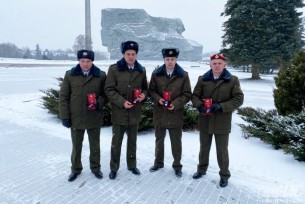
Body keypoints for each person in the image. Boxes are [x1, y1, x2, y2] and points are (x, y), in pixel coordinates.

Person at [191, 54, 244, 187]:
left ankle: (224, 175)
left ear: (224, 65)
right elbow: (195, 96)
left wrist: (221, 106)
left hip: (222, 120)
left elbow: (238, 99)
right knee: (204, 148)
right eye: (214, 63)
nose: (217, 65)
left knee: (222, 150)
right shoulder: (202, 79)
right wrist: (199, 105)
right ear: (210, 65)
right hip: (205, 119)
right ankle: (201, 170)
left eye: (219, 63)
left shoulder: (232, 80)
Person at [59, 49, 108, 182]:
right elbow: (63, 97)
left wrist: (99, 102)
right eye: (82, 61)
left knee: (95, 145)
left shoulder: (101, 75)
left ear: (92, 61)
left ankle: (96, 168)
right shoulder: (70, 75)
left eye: (88, 61)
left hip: (94, 117)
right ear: (79, 61)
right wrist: (65, 116)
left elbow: (106, 95)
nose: (85, 64)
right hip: (76, 117)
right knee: (76, 146)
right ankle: (75, 169)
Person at [105, 41, 148, 180]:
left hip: (134, 113)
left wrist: (143, 96)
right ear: (123, 54)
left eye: (133, 54)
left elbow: (145, 88)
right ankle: (114, 168)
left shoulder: (141, 70)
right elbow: (108, 90)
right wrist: (122, 102)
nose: (130, 56)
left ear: (137, 54)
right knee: (116, 142)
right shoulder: (114, 69)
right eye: (128, 54)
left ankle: (132, 165)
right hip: (119, 112)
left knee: (132, 141)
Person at [148, 48, 191, 177]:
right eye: (167, 59)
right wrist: (158, 99)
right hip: (160, 113)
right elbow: (151, 91)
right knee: (159, 141)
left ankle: (177, 165)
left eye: (172, 59)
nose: (170, 61)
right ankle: (158, 163)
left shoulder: (183, 75)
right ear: (164, 60)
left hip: (175, 114)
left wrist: (176, 104)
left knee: (176, 142)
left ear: (176, 59)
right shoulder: (156, 74)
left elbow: (187, 94)